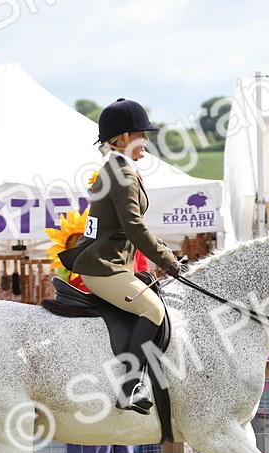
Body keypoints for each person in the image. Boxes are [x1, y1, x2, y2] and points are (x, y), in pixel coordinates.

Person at [68, 98, 184, 414]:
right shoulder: (121, 174)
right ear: (122, 139)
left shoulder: (119, 169)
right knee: (153, 311)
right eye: (140, 134)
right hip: (104, 267)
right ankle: (129, 388)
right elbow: (134, 227)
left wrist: (167, 255)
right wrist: (168, 262)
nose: (146, 141)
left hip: (113, 264)